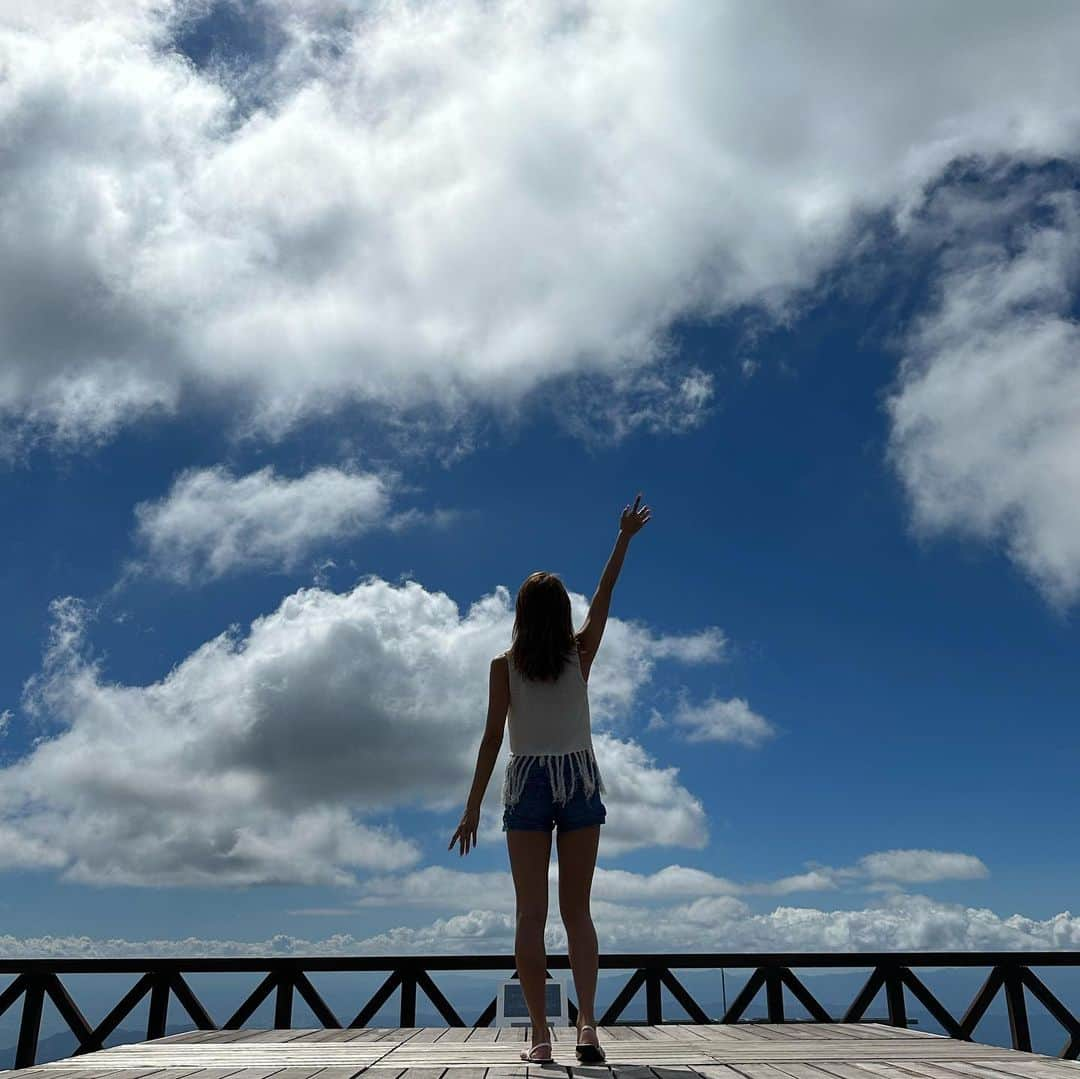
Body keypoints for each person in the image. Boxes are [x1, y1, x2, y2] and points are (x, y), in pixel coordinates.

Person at [449, 492, 652, 1063]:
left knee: (530, 915)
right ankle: (588, 1026)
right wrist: (623, 538)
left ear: (520, 613)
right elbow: (606, 597)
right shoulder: (579, 653)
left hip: (528, 783)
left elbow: (492, 740)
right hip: (578, 779)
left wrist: (472, 809)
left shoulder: (503, 666)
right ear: (561, 612)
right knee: (577, 912)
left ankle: (540, 1035)